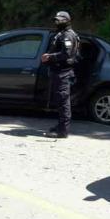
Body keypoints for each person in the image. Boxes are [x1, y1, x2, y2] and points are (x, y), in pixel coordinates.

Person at [41, 11, 80, 139]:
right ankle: (60, 126)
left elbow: (66, 54)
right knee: (60, 101)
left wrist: (50, 57)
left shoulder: (68, 35)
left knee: (64, 102)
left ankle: (63, 131)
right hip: (59, 72)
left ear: (66, 21)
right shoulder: (61, 34)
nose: (57, 22)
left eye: (60, 20)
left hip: (64, 72)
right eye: (56, 20)